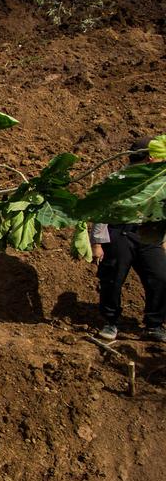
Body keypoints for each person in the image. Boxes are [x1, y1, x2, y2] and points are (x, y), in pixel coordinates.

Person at [90, 137, 165, 342]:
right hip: (120, 233)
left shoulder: (160, 181)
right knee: (113, 279)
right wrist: (97, 242)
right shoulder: (118, 179)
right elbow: (102, 210)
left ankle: (154, 325)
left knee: (160, 277)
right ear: (150, 158)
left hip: (149, 235)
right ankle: (111, 322)